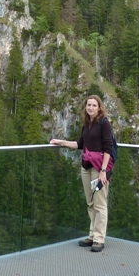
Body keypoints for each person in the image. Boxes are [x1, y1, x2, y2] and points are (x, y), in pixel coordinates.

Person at [50, 94, 114, 252]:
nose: (91, 108)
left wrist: (103, 171)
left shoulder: (104, 123)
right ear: (86, 107)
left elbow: (108, 147)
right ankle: (92, 235)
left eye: (94, 105)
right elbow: (80, 144)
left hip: (99, 167)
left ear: (99, 107)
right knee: (90, 202)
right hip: (86, 166)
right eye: (89, 105)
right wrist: (61, 142)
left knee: (100, 204)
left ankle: (99, 239)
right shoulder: (87, 123)